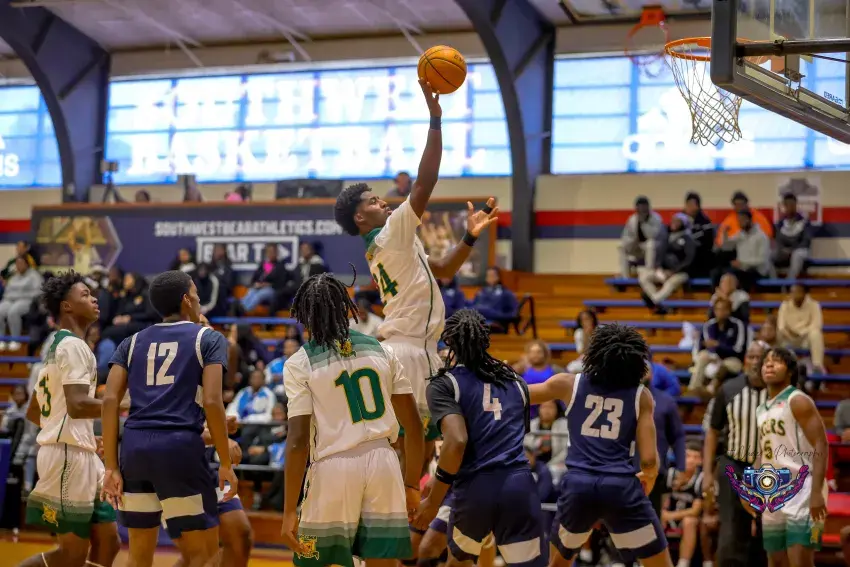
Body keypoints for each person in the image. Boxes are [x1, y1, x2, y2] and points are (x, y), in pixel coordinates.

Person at [333, 80, 498, 461]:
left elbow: (443, 268)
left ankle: (407, 495)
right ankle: (405, 496)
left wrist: (469, 237)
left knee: (418, 447)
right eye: (373, 201)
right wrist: (435, 118)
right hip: (408, 348)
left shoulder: (393, 241)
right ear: (360, 217)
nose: (382, 202)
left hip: (416, 346)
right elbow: (425, 182)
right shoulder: (391, 233)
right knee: (417, 447)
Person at [280, 272, 426, 567]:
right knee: (381, 562)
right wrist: (412, 485)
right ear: (346, 308)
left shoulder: (300, 362)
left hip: (333, 466)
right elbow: (414, 426)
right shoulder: (383, 350)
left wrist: (288, 511)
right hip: (384, 462)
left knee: (312, 560)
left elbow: (297, 441)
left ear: (304, 316)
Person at [99, 270, 237, 567]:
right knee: (204, 555)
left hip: (134, 450)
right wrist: (225, 463)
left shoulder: (131, 342)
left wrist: (111, 466)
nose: (199, 302)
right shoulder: (208, 338)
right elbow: (213, 401)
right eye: (196, 295)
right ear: (186, 300)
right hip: (179, 449)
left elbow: (109, 400)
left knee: (138, 556)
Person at [527, 323, 673, 567]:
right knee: (659, 564)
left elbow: (519, 394)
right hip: (620, 487)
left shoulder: (569, 383)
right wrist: (648, 476)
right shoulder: (641, 396)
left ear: (594, 353)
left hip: (578, 486)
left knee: (557, 564)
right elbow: (649, 459)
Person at [412, 309, 546, 567]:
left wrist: (434, 501)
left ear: (450, 341)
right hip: (518, 482)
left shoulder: (446, 383)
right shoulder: (513, 380)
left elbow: (457, 441)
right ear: (485, 340)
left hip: (475, 485)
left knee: (458, 560)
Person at [18, 272, 121, 567]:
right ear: (67, 306)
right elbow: (76, 405)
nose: (94, 299)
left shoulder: (60, 346)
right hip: (66, 458)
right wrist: (116, 405)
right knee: (71, 555)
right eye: (85, 295)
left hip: (79, 452)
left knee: (109, 542)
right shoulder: (72, 346)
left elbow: (35, 411)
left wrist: (81, 433)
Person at [750, 347, 828, 566]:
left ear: (790, 371)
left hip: (803, 489)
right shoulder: (762, 409)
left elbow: (821, 443)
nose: (769, 365)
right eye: (766, 361)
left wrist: (817, 493)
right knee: (775, 560)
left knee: (800, 560)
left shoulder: (798, 400)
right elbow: (763, 451)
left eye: (777, 361)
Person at [702, 340, 768, 567]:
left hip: (768, 471)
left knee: (767, 534)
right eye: (751, 357)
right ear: (745, 360)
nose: (755, 362)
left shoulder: (779, 392)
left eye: (760, 357)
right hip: (734, 466)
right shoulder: (729, 389)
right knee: (731, 533)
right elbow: (712, 432)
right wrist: (708, 473)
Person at [638, 212, 696, 312]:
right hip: (664, 271)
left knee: (670, 283)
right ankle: (658, 303)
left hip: (681, 273)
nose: (674, 223)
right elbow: (660, 255)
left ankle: (653, 301)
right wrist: (658, 267)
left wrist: (674, 271)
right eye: (673, 220)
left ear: (683, 223)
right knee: (644, 277)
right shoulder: (666, 237)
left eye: (677, 221)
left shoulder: (688, 239)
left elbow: (688, 260)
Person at [689, 298, 746, 393]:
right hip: (713, 358)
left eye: (724, 309)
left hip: (733, 359)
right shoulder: (709, 325)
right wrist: (714, 354)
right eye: (718, 309)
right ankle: (693, 388)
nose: (721, 312)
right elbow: (706, 346)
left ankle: (711, 389)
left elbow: (738, 350)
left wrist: (719, 345)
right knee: (703, 356)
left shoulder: (738, 325)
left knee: (726, 365)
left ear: (729, 310)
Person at [661, 441, 704, 567]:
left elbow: (695, 511)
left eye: (695, 457)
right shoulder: (670, 474)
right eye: (688, 456)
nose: (691, 460)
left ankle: (683, 563)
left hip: (689, 519)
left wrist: (669, 515)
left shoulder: (701, 478)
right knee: (656, 517)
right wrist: (663, 514)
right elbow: (662, 501)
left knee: (689, 521)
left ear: (701, 461)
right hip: (670, 515)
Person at [777, 283, 826, 375]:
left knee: (816, 333)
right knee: (779, 333)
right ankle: (779, 364)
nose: (795, 295)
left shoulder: (814, 305)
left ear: (804, 293)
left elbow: (817, 324)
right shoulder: (784, 305)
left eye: (798, 292)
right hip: (789, 338)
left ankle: (817, 365)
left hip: (806, 338)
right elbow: (781, 326)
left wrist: (801, 332)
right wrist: (790, 333)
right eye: (792, 292)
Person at [619, 196, 663, 278]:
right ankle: (624, 276)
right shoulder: (632, 219)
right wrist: (631, 241)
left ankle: (649, 274)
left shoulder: (656, 218)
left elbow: (652, 235)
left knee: (650, 244)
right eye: (640, 207)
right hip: (636, 246)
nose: (642, 209)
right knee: (621, 246)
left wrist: (643, 222)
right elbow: (625, 236)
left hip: (653, 249)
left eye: (644, 207)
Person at [773, 193, 812, 280]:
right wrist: (784, 250)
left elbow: (806, 242)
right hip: (785, 252)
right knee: (769, 256)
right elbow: (778, 241)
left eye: (792, 204)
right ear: (784, 206)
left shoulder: (804, 222)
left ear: (795, 205)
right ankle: (774, 283)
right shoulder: (780, 224)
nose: (790, 207)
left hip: (800, 251)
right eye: (787, 205)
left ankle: (789, 283)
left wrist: (792, 250)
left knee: (797, 255)